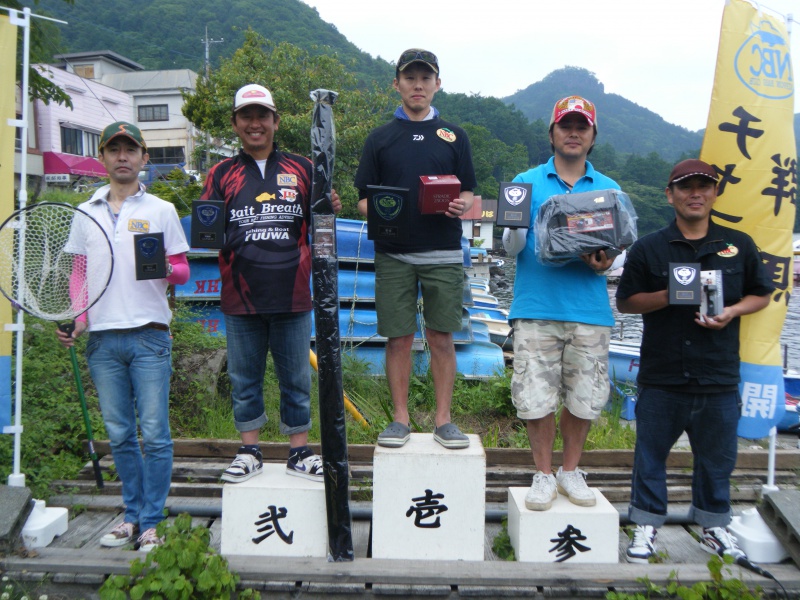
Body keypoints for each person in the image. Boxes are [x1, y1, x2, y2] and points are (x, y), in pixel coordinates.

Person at [616, 159, 774, 563]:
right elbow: (627, 301)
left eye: (704, 186)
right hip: (663, 374)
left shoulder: (738, 244)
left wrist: (732, 312)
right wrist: (670, 293)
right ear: (670, 195)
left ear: (715, 193)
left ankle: (714, 527)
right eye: (686, 187)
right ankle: (647, 524)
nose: (696, 194)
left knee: (717, 460)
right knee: (649, 457)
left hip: (719, 374)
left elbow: (762, 293)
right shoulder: (649, 246)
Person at [57, 121, 191, 552]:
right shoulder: (86, 211)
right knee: (118, 434)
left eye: (130, 149)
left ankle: (152, 520)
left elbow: (183, 271)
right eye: (113, 149)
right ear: (103, 157)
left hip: (150, 334)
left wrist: (165, 268)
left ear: (143, 159)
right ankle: (130, 516)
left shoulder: (162, 209)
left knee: (154, 433)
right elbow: (79, 274)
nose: (122, 157)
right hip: (102, 340)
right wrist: (77, 318)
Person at [201, 84, 341, 484]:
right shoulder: (220, 173)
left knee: (296, 378)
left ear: (276, 121)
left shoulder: (303, 168)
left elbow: (322, 223)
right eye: (247, 116)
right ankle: (249, 450)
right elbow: (207, 232)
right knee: (244, 380)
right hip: (240, 297)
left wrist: (330, 205)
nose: (255, 123)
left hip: (293, 295)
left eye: (263, 115)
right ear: (235, 124)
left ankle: (299, 451)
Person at [354, 49, 477, 449]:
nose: (418, 85)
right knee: (398, 338)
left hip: (443, 251)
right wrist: (382, 213)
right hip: (394, 254)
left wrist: (463, 203)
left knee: (442, 337)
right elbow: (361, 199)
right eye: (410, 78)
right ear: (397, 84)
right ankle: (400, 419)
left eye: (426, 78)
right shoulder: (380, 137)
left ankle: (444, 420)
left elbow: (470, 191)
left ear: (438, 84)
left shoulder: (455, 136)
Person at [502, 95, 619, 511]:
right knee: (535, 396)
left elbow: (612, 254)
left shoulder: (609, 189)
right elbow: (510, 244)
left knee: (584, 397)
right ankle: (543, 474)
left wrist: (603, 259)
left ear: (592, 136)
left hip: (589, 309)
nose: (573, 132)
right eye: (565, 125)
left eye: (581, 127)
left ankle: (571, 470)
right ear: (551, 133)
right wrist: (512, 232)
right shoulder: (525, 181)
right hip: (536, 305)